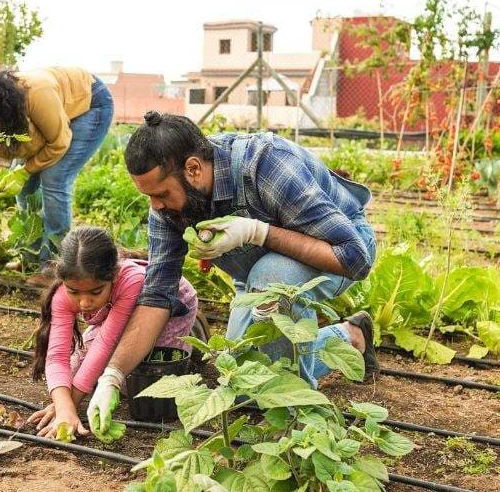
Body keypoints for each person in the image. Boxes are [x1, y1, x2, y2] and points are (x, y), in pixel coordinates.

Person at [85, 111, 378, 435]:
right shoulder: (169, 209)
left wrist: (257, 232)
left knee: (272, 279)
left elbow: (355, 258)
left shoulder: (266, 166)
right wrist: (112, 375)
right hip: (257, 276)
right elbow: (157, 296)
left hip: (336, 249)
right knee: (240, 387)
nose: (155, 206)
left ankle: (296, 419)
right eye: (149, 196)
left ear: (193, 169)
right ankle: (349, 337)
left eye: (161, 194)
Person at [26, 226, 198, 439]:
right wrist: (64, 407)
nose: (84, 302)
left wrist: (70, 406)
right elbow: (57, 356)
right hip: (114, 315)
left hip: (167, 308)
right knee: (75, 369)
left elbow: (105, 345)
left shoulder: (131, 281)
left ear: (114, 277)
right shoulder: (62, 296)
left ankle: (190, 336)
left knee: (135, 385)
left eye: (95, 292)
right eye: (74, 292)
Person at [0, 67, 115, 279]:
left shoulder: (37, 95)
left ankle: (53, 266)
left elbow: (59, 143)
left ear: (5, 116)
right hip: (51, 111)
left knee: (55, 177)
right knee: (23, 187)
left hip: (90, 104)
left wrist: (26, 170)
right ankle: (30, 259)